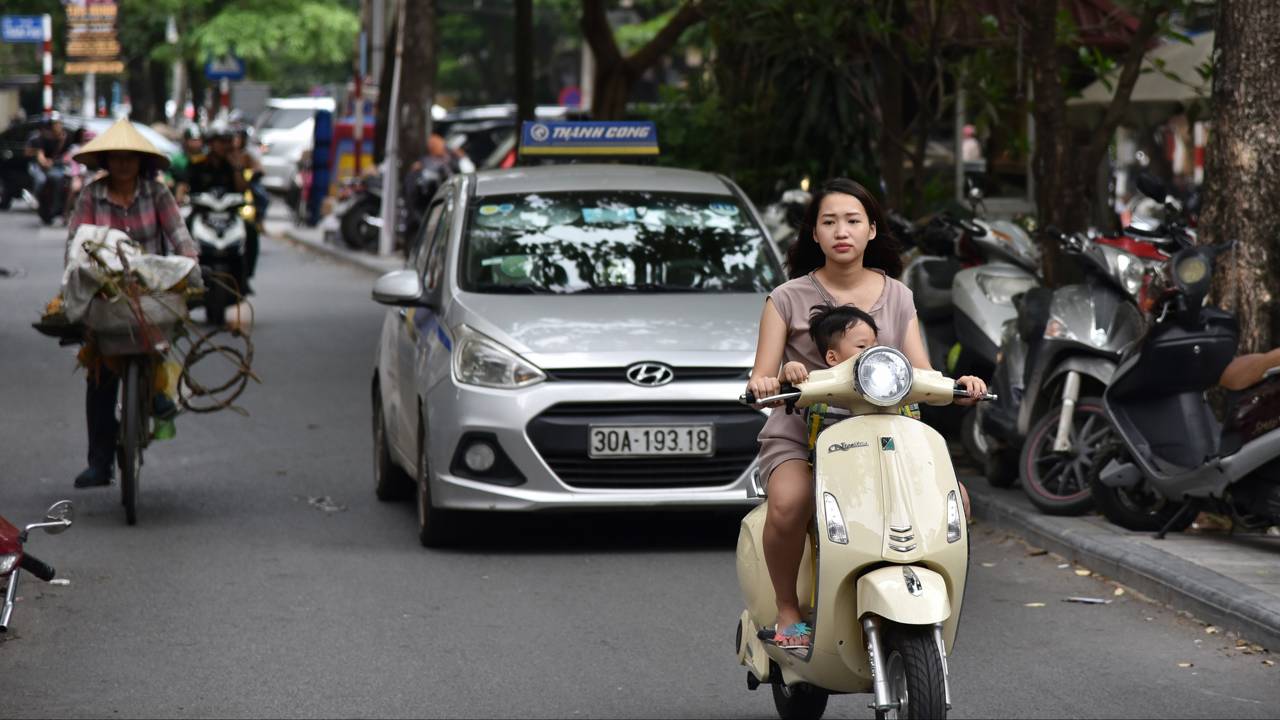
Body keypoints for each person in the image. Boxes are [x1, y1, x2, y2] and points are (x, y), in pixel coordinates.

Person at [745, 178, 988, 652]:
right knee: (791, 502)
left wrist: (959, 388)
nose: (842, 231)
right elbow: (762, 375)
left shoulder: (898, 295)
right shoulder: (785, 298)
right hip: (802, 430)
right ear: (814, 233)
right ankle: (788, 610)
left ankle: (929, 592)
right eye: (829, 222)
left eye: (853, 221)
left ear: (872, 229)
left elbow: (922, 371)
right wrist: (770, 382)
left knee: (954, 500)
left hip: (886, 428)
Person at [65, 119, 198, 488]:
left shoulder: (158, 194)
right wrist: (72, 282)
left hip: (151, 290)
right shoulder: (91, 196)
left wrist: (190, 265)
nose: (123, 164)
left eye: (130, 157)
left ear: (142, 162)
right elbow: (75, 243)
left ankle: (157, 395)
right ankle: (99, 462)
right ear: (107, 161)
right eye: (117, 157)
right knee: (100, 377)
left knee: (161, 345)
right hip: (104, 292)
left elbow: (180, 236)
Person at [782, 303, 973, 519]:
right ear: (833, 358)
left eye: (875, 344)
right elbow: (792, 386)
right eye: (862, 346)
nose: (873, 352)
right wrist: (790, 372)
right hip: (840, 482)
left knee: (959, 495)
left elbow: (935, 385)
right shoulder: (821, 394)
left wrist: (962, 385)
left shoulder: (899, 390)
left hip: (904, 474)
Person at [185, 121, 257, 292]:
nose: (225, 145)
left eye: (228, 141)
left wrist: (237, 167)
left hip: (229, 214)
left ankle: (245, 277)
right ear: (211, 143)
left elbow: (242, 189)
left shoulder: (233, 165)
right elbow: (184, 186)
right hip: (203, 214)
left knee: (251, 231)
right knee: (183, 230)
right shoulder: (198, 164)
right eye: (221, 141)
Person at [26, 112, 71, 208]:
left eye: (59, 123)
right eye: (55, 124)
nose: (57, 126)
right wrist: (45, 162)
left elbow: (68, 154)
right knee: (41, 180)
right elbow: (40, 155)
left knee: (62, 179)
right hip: (39, 166)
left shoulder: (65, 137)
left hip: (57, 166)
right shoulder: (39, 138)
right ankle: (35, 198)